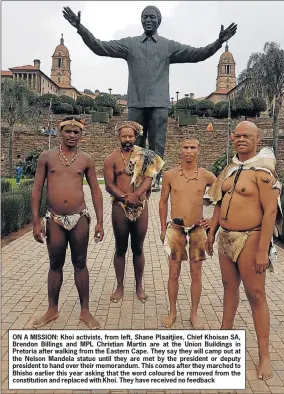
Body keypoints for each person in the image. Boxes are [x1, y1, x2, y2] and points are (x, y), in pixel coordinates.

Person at [63, 5, 237, 190]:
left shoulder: (168, 46)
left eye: (152, 17)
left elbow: (198, 54)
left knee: (157, 143)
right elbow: (100, 47)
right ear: (141, 20)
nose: (148, 20)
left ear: (158, 21)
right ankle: (133, 178)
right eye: (145, 17)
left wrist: (218, 42)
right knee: (133, 142)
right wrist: (80, 28)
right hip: (136, 102)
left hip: (159, 103)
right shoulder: (130, 44)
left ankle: (154, 179)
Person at [205, 121, 283, 380]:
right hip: (226, 238)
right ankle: (225, 337)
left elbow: (271, 211)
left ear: (257, 138)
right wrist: (212, 232)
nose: (241, 139)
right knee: (229, 288)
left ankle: (264, 357)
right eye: (237, 135)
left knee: (256, 295)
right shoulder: (230, 169)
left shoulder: (263, 171)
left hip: (251, 238)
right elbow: (219, 202)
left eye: (246, 135)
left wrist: (263, 251)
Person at [31, 116, 104, 329]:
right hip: (54, 219)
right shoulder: (47, 157)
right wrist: (36, 222)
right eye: (68, 131)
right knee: (55, 264)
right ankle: (52, 309)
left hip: (79, 217)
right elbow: (36, 190)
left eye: (76, 132)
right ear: (60, 132)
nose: (72, 135)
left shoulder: (86, 159)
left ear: (81, 135)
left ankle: (85, 311)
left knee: (80, 263)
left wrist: (100, 221)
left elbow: (96, 190)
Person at [104, 121, 164, 303]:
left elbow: (149, 177)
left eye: (130, 136)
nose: (127, 139)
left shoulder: (145, 155)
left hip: (140, 205)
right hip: (119, 206)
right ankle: (120, 286)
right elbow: (109, 185)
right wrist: (124, 197)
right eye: (124, 136)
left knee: (138, 248)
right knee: (120, 248)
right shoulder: (111, 158)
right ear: (119, 137)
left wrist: (136, 194)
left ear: (136, 136)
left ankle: (139, 286)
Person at [159, 137, 216, 329]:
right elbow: (163, 201)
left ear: (198, 149)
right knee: (173, 273)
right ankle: (172, 312)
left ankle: (194, 313)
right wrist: (161, 227)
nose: (189, 151)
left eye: (192, 147)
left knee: (196, 274)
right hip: (176, 229)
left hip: (198, 231)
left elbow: (223, 198)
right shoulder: (170, 175)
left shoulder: (207, 176)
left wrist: (212, 221)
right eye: (185, 147)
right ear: (180, 150)